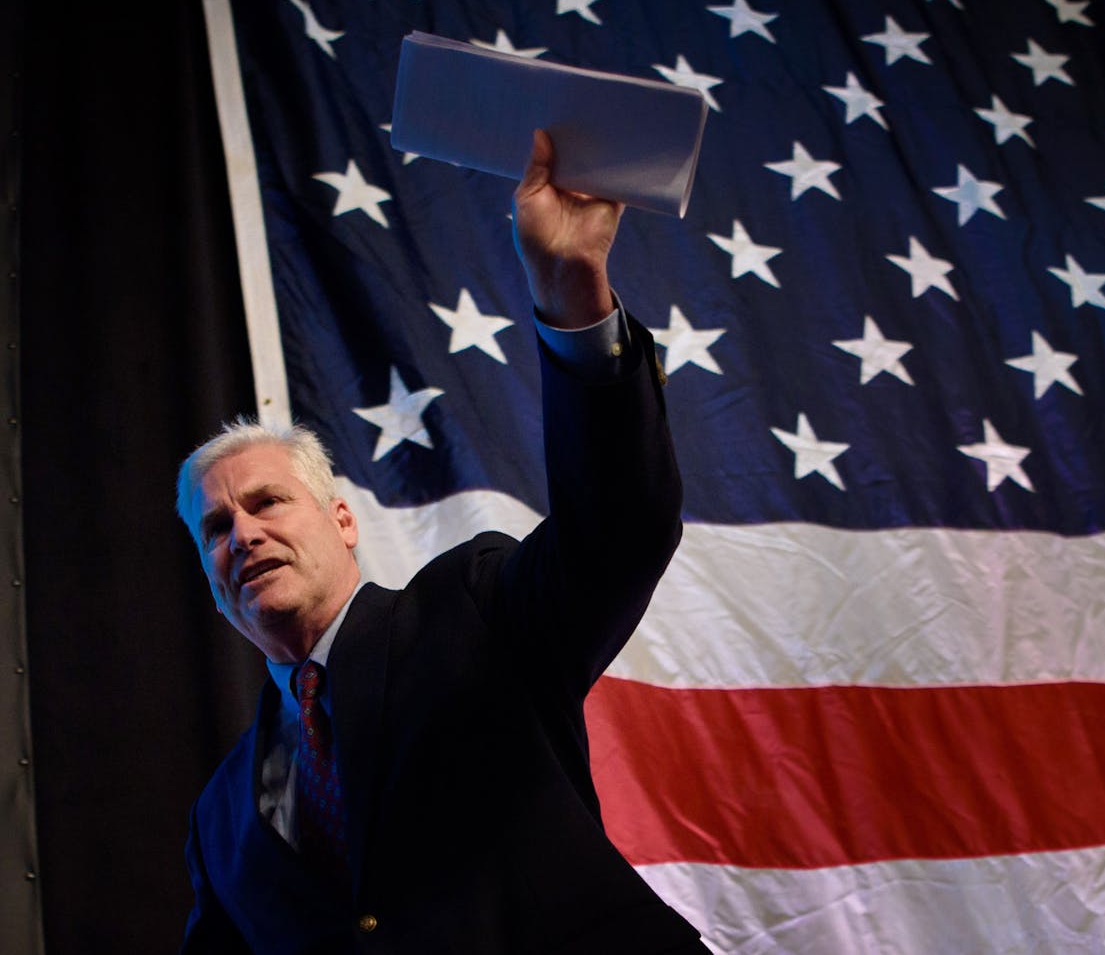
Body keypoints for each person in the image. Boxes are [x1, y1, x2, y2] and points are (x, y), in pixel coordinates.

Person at [174, 131, 706, 953]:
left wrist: (573, 296)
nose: (243, 533)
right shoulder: (218, 819)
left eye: (268, 501)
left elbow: (620, 529)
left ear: (342, 519)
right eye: (216, 527)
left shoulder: (474, 606)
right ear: (210, 580)